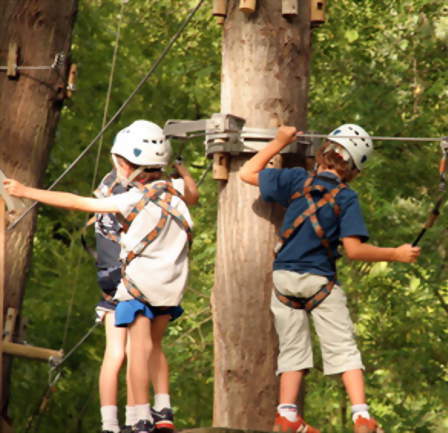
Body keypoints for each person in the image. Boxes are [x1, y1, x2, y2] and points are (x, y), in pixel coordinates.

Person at [4, 120, 195, 433]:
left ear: (126, 164)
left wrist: (25, 191)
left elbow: (79, 202)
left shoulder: (133, 198)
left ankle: (138, 417)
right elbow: (191, 200)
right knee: (151, 349)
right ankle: (163, 413)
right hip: (169, 289)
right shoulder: (177, 200)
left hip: (137, 289)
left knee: (136, 352)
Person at [239, 124, 421, 433]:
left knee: (292, 348)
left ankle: (287, 415)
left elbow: (247, 172)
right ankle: (361, 415)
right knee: (343, 348)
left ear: (323, 151)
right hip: (319, 282)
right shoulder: (347, 199)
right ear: (354, 171)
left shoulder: (297, 179)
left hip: (284, 279)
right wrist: (395, 254)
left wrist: (280, 142)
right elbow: (354, 250)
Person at [93, 134, 198, 433]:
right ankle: (154, 411)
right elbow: (192, 194)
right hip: (145, 277)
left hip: (118, 277)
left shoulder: (111, 190)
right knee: (147, 346)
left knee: (120, 351)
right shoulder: (153, 191)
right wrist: (182, 171)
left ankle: (116, 422)